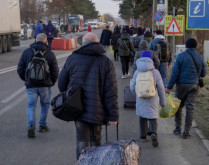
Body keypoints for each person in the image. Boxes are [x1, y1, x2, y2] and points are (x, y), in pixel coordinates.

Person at [57, 32, 119, 160]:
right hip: (98, 109)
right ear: (98, 43)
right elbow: (111, 91)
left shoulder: (72, 58)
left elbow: (61, 85)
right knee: (96, 140)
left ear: (83, 44)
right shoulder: (106, 62)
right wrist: (113, 115)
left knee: (81, 139)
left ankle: (82, 162)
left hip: (77, 107)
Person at [17, 33, 59, 138]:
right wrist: (52, 82)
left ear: (35, 40)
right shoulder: (50, 53)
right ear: (45, 41)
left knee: (31, 105)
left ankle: (31, 125)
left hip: (31, 85)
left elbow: (20, 68)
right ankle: (42, 125)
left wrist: (26, 79)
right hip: (45, 85)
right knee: (45, 105)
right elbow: (55, 70)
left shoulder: (27, 52)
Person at [165, 38, 206, 139]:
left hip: (181, 86)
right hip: (194, 86)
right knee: (190, 108)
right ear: (195, 46)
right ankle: (187, 132)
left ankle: (178, 128)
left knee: (178, 106)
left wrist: (169, 87)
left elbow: (174, 74)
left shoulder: (180, 57)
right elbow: (203, 74)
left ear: (186, 46)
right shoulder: (201, 58)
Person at [130, 53, 165, 147]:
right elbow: (161, 88)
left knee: (142, 118)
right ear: (151, 59)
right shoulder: (155, 72)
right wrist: (162, 101)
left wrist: (137, 95)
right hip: (152, 98)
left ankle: (143, 137)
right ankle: (153, 132)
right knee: (152, 117)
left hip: (141, 98)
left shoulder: (137, 71)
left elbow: (132, 86)